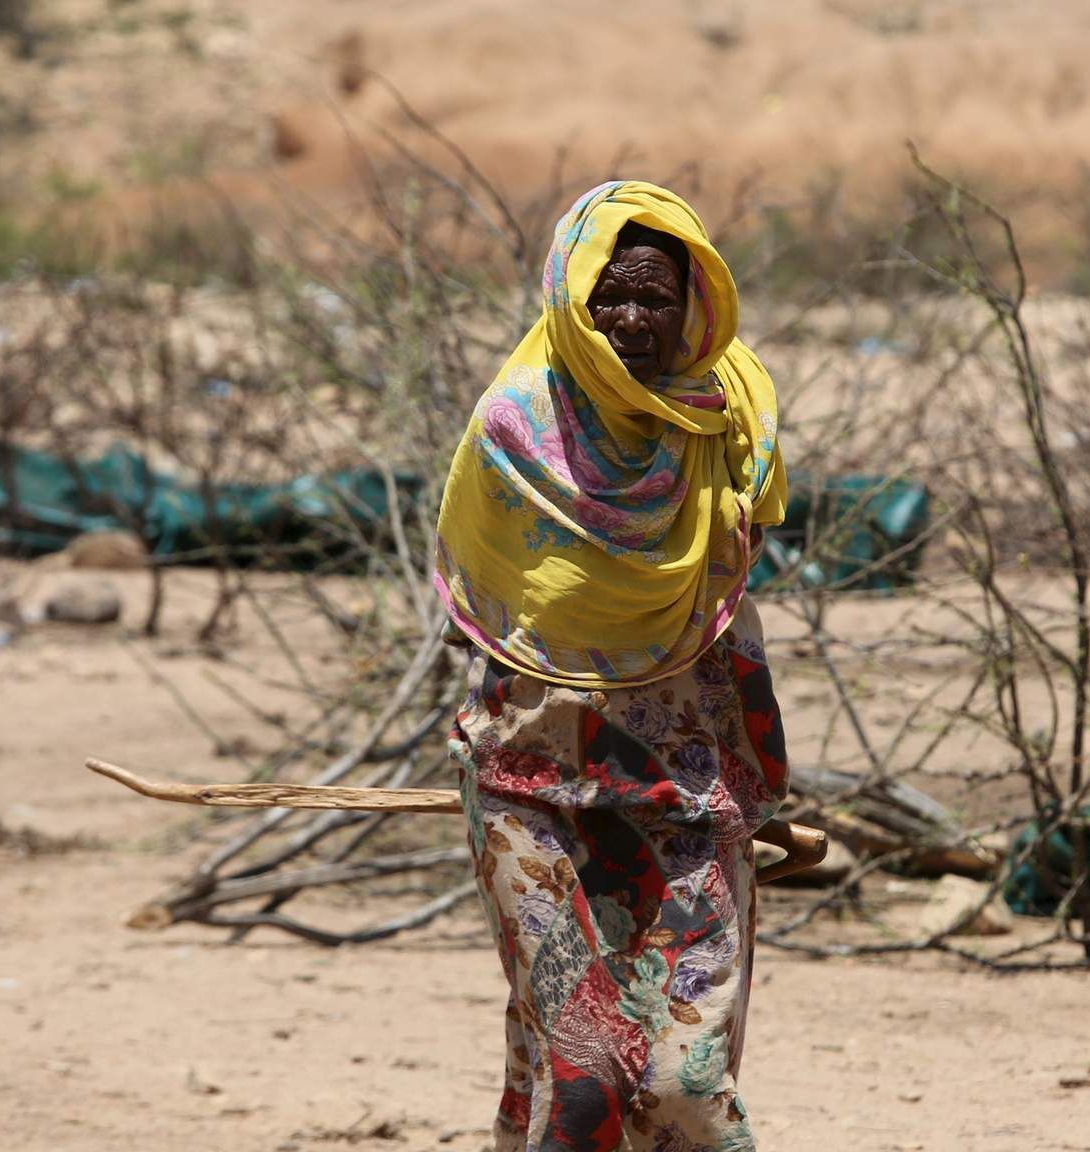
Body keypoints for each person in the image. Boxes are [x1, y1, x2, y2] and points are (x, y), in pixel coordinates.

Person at [433, 180, 790, 1152]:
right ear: (570, 300)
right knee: (584, 1074)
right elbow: (491, 629)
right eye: (609, 297)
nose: (632, 319)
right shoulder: (513, 431)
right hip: (530, 793)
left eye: (655, 298)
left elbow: (734, 623)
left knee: (681, 1087)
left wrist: (765, 782)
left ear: (694, 305)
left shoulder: (728, 421)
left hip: (686, 800)